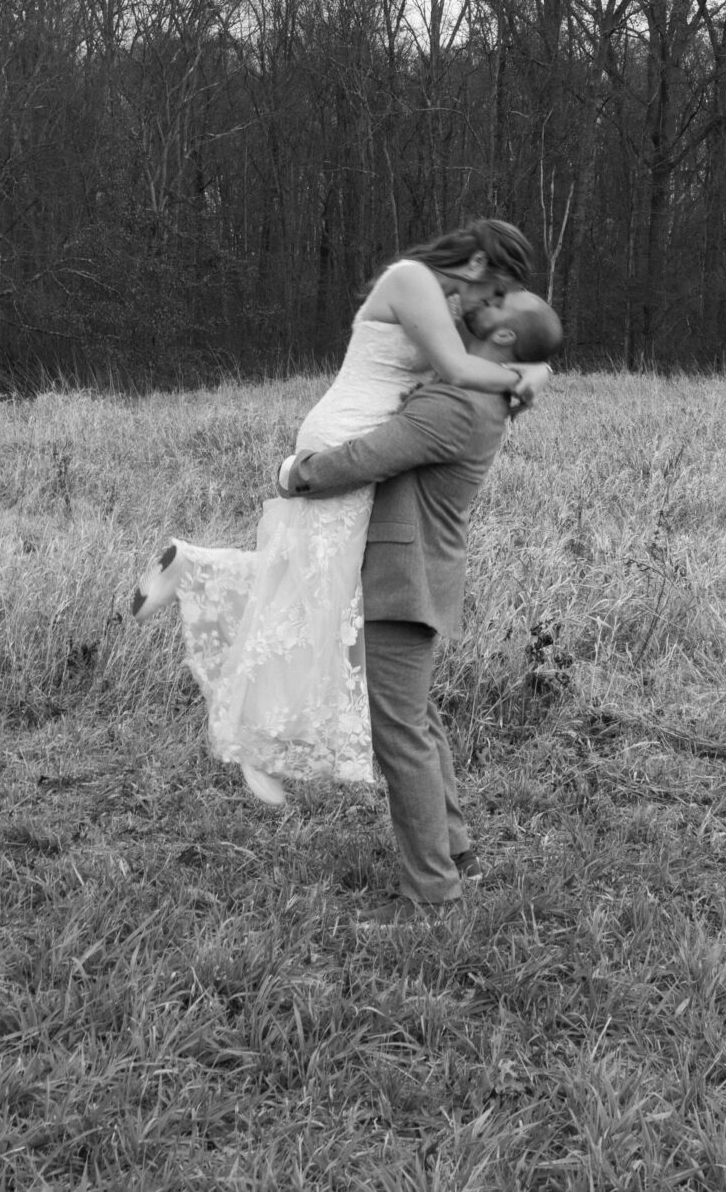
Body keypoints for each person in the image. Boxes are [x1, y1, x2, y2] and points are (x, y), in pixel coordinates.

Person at [128, 220, 552, 805]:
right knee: (318, 593)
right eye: (498, 290)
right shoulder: (411, 280)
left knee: (315, 582)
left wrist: (537, 369)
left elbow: (464, 385)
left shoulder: (440, 301)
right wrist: (525, 374)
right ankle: (254, 736)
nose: (491, 303)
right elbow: (458, 373)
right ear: (480, 265)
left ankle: (197, 570)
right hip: (349, 438)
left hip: (369, 434)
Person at [279, 287, 564, 927]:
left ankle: (431, 891)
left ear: (505, 341)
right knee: (418, 720)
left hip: (402, 580)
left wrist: (296, 474)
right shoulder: (483, 387)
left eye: (498, 306)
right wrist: (535, 369)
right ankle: (454, 850)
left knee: (400, 734)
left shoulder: (457, 403)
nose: (478, 303)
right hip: (414, 573)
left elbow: (366, 458)